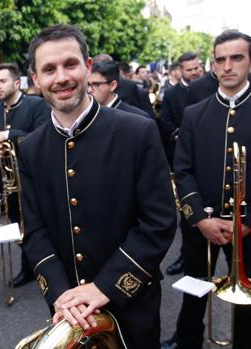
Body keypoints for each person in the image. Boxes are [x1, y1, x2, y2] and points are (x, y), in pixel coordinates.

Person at [22, 24, 176, 348]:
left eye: (70, 64)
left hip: (131, 303)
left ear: (88, 67)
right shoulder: (30, 147)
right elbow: (34, 231)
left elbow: (158, 223)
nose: (61, 77)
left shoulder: (138, 131)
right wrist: (61, 294)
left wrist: (104, 287)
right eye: (48, 69)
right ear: (36, 80)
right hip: (67, 309)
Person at [162, 29, 251, 349]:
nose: (227, 66)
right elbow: (182, 171)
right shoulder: (194, 113)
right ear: (213, 66)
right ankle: (187, 340)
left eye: (236, 58)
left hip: (248, 229)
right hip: (203, 225)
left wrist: (247, 221)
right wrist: (200, 218)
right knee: (193, 287)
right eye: (220, 59)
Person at [0, 62, 50, 288]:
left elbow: (43, 136)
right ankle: (30, 266)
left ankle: (41, 266)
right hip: (10, 182)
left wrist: (11, 135)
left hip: (34, 180)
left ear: (17, 83)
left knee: (38, 225)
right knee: (17, 227)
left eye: (2, 81)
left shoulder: (36, 104)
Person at [158, 53, 202, 278]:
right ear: (180, 71)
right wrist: (180, 135)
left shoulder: (208, 88)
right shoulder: (173, 93)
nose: (194, 72)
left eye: (197, 68)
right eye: (189, 69)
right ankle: (185, 256)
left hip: (206, 158)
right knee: (188, 211)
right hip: (181, 155)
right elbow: (164, 121)